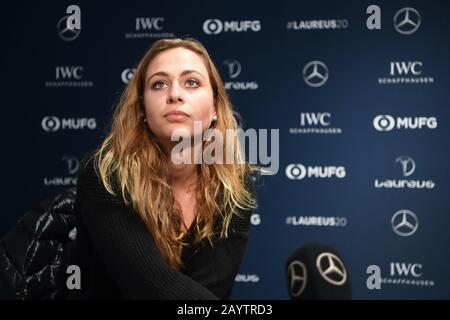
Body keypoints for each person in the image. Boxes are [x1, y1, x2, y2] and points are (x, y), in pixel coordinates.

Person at [68, 37, 257, 299]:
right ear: (143, 107)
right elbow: (154, 290)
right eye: (159, 84)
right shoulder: (105, 174)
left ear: (215, 106)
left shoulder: (234, 185)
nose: (175, 94)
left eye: (191, 82)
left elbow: (209, 293)